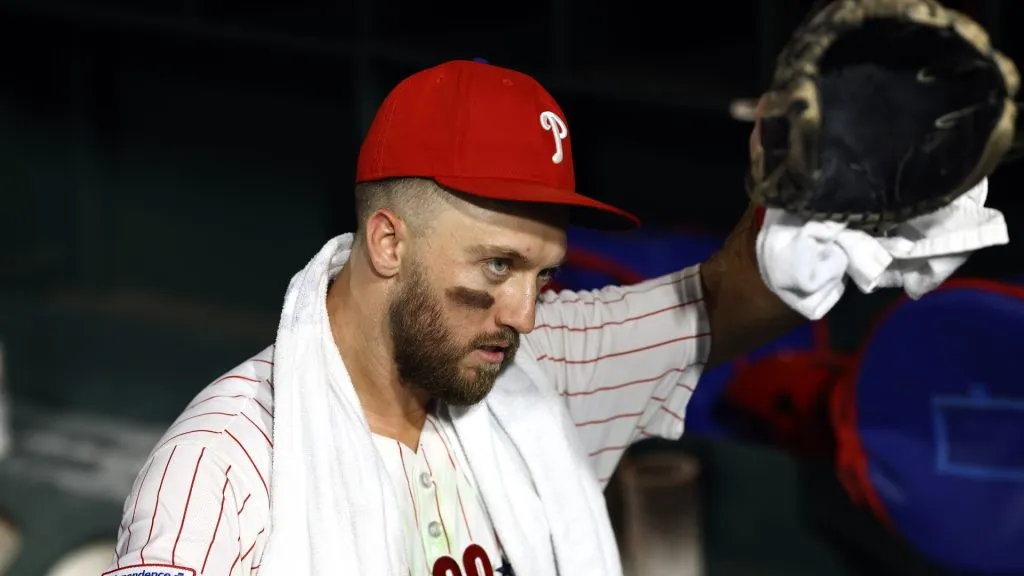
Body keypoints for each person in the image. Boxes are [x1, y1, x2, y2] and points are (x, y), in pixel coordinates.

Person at [104, 60, 802, 576]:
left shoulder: (538, 371)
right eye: (497, 266)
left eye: (544, 271)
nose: (525, 313)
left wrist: (796, 198)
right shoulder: (228, 460)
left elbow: (721, 302)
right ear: (388, 242)